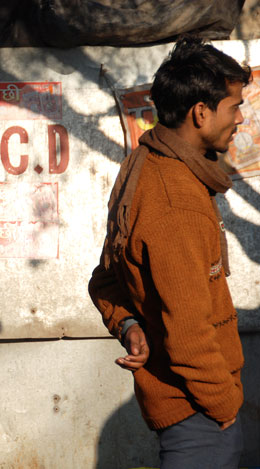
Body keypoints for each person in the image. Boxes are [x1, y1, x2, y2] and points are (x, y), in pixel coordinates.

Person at [88, 37, 249, 468]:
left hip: (189, 406)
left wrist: (128, 323)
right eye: (234, 106)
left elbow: (106, 278)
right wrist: (225, 406)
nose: (239, 118)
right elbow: (189, 336)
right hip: (198, 411)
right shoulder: (174, 199)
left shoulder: (145, 163)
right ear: (201, 112)